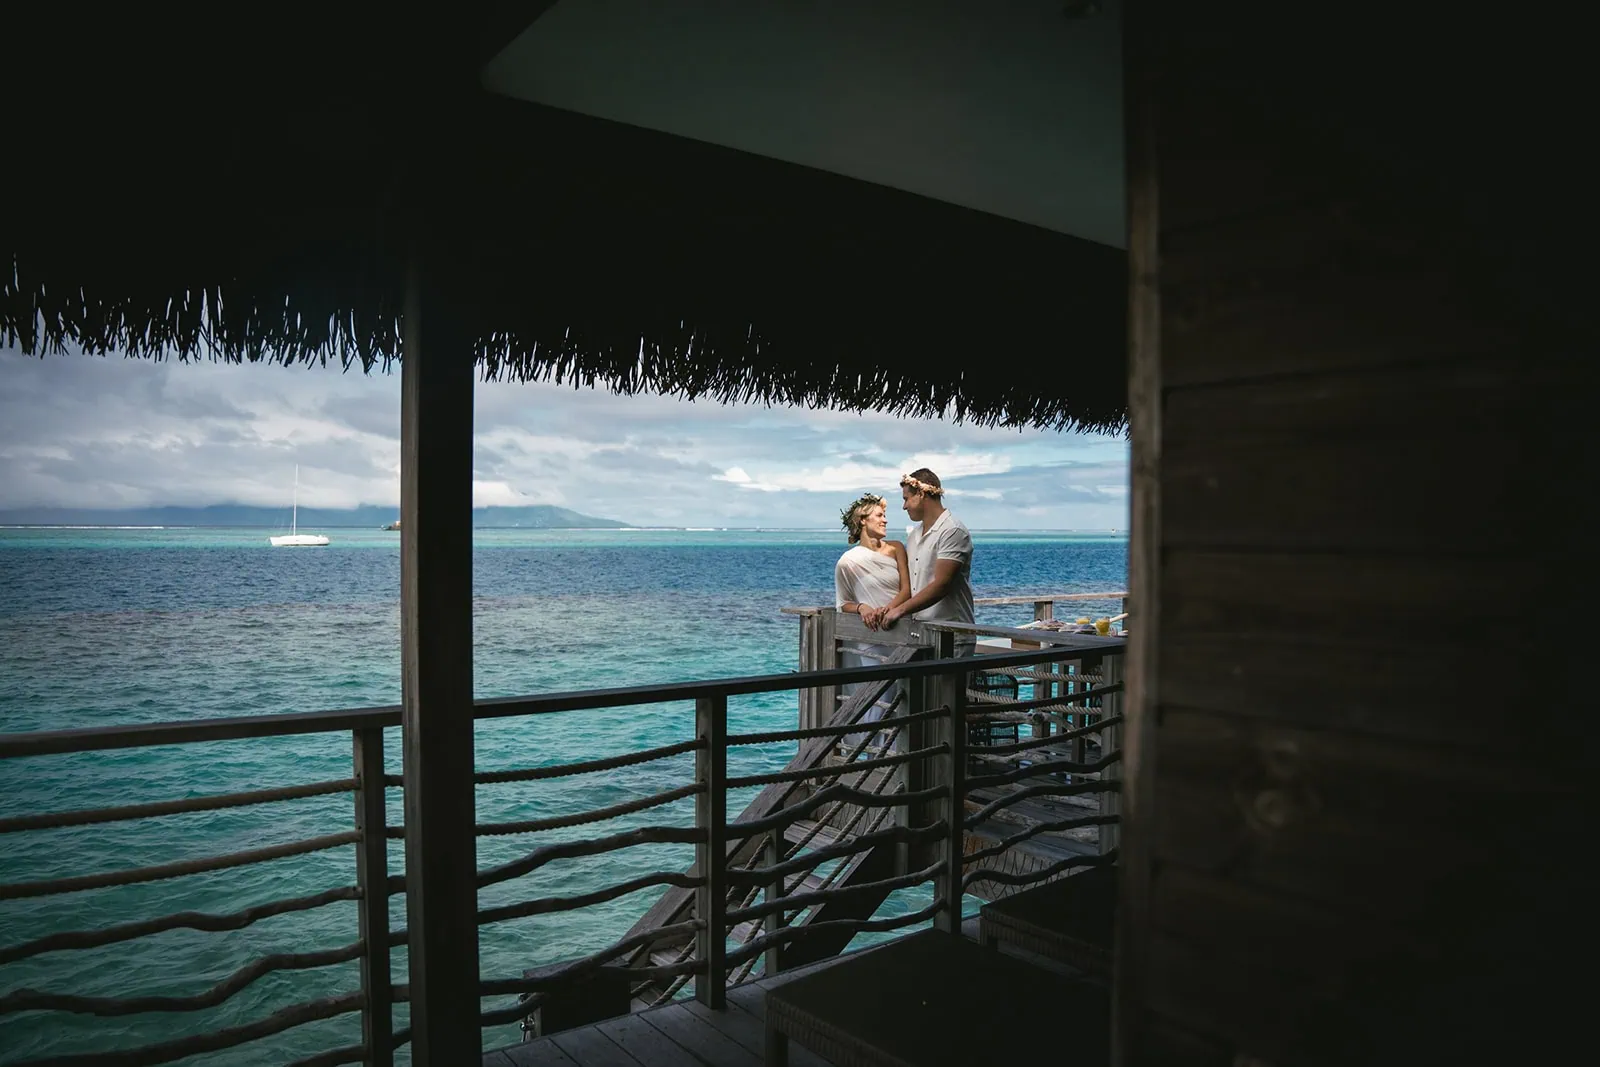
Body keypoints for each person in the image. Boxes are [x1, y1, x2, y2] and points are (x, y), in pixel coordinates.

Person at [833, 493, 910, 749]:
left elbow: (907, 591)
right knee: (876, 694)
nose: (885, 520)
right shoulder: (848, 561)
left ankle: (897, 754)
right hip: (872, 635)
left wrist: (887, 610)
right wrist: (864, 607)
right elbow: (842, 603)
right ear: (863, 520)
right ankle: (871, 754)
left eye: (885, 515)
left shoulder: (897, 548)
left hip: (900, 627)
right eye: (879, 515)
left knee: (904, 694)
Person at [877, 468, 975, 655]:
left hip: (952, 637)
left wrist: (900, 611)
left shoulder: (953, 531)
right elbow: (914, 585)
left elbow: (941, 584)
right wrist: (888, 609)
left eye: (906, 499)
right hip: (920, 635)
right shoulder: (914, 535)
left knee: (948, 686)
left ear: (921, 494)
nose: (904, 507)